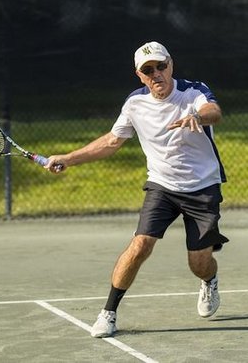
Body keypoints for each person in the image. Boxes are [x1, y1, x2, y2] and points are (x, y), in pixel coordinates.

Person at [45, 41, 228, 338]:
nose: (156, 74)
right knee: (140, 244)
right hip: (162, 187)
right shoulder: (134, 104)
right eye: (148, 70)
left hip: (202, 188)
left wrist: (198, 116)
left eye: (160, 66)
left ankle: (209, 280)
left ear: (171, 64)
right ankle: (109, 312)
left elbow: (214, 111)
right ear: (139, 75)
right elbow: (111, 142)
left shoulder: (192, 92)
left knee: (199, 264)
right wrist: (68, 159)